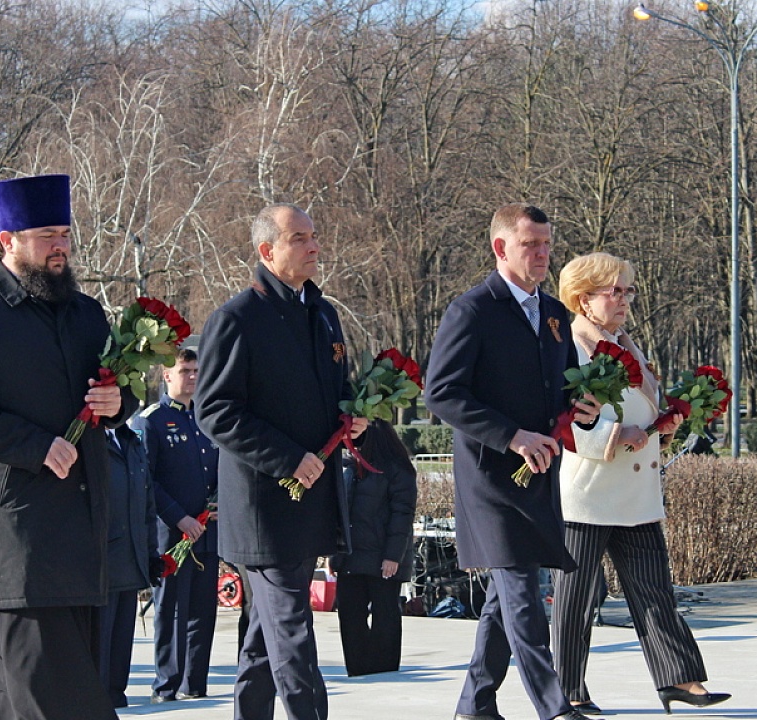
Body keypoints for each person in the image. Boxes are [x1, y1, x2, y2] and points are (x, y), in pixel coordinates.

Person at [0, 173, 134, 720]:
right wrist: (36, 445)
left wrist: (119, 402)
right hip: (20, 535)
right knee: (61, 696)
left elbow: (116, 385)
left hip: (83, 531)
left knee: (6, 694)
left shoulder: (85, 313)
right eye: (46, 235)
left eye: (64, 232)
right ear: (6, 241)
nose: (60, 245)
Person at [424, 203, 597, 720]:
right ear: (502, 248)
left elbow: (565, 394)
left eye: (547, 244)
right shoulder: (472, 310)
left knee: (506, 600)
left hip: (537, 475)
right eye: (531, 245)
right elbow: (442, 393)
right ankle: (554, 707)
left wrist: (582, 412)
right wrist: (510, 435)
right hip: (490, 480)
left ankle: (474, 704)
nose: (543, 254)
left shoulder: (554, 315)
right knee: (522, 592)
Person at [194, 202, 365, 720]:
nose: (314, 246)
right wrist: (288, 459)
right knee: (291, 630)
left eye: (314, 235)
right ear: (267, 251)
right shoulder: (236, 319)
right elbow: (215, 411)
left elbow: (337, 391)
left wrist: (354, 416)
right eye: (300, 238)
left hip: (311, 500)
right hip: (266, 506)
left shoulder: (323, 313)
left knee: (262, 640)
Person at [549, 252, 729, 715]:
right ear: (584, 299)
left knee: (654, 589)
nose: (626, 299)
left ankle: (679, 679)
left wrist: (665, 420)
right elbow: (567, 421)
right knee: (575, 601)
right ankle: (567, 690)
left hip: (635, 494)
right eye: (616, 291)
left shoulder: (624, 342)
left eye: (629, 290)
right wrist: (613, 434)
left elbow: (638, 405)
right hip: (587, 495)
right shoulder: (572, 346)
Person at [145, 348, 221, 703]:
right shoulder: (153, 421)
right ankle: (167, 683)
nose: (192, 376)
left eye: (195, 370)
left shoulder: (206, 419)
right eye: (185, 370)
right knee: (171, 609)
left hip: (206, 532)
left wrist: (218, 503)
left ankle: (196, 681)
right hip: (173, 534)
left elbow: (218, 470)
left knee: (203, 609)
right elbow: (148, 480)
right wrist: (180, 517)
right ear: (167, 376)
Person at [331, 421, 416, 677]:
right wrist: (335, 554)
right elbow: (339, 514)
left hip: (382, 557)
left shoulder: (397, 470)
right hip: (351, 558)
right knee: (349, 616)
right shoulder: (347, 469)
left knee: (385, 615)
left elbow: (402, 515)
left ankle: (384, 668)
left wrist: (393, 556)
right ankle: (357, 668)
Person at [96, 423, 158, 708]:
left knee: (122, 636)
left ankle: (115, 693)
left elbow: (147, 504)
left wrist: (151, 553)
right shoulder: (90, 439)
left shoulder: (130, 441)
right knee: (100, 637)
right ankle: (97, 697)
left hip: (131, 555)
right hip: (102, 558)